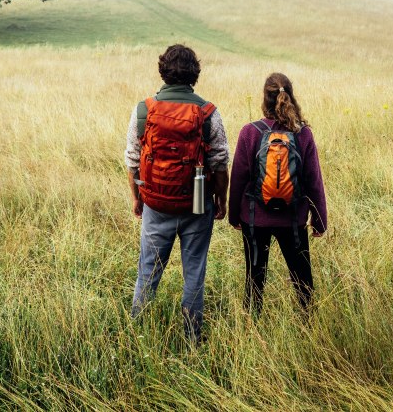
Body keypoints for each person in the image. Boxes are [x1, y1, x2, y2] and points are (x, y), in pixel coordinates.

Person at [126, 44, 229, 342]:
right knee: (194, 271)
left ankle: (138, 334)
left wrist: (137, 197)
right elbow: (220, 163)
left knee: (148, 270)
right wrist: (220, 200)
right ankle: (192, 337)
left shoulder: (143, 109)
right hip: (197, 206)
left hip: (155, 204)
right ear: (194, 73)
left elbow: (132, 160)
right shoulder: (208, 112)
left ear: (163, 70)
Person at [228, 72, 327, 315]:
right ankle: (309, 328)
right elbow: (313, 181)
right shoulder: (303, 134)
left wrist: (234, 216)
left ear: (265, 99)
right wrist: (319, 220)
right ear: (290, 97)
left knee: (254, 279)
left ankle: (253, 330)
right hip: (293, 220)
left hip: (254, 219)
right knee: (303, 280)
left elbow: (238, 179)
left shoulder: (249, 132)